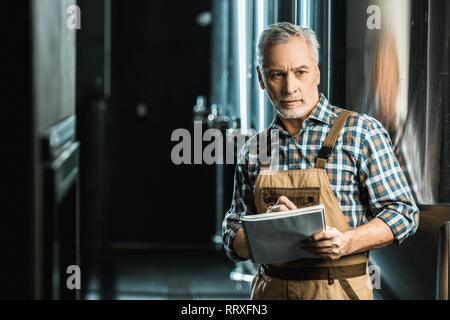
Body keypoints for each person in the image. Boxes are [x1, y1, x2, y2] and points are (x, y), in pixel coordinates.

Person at [222, 22, 419, 300]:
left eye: (300, 72)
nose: (290, 87)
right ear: (261, 78)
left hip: (339, 291)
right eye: (277, 74)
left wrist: (347, 241)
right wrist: (262, 229)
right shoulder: (254, 150)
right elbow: (232, 236)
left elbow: (403, 213)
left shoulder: (360, 132)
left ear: (316, 72)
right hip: (271, 291)